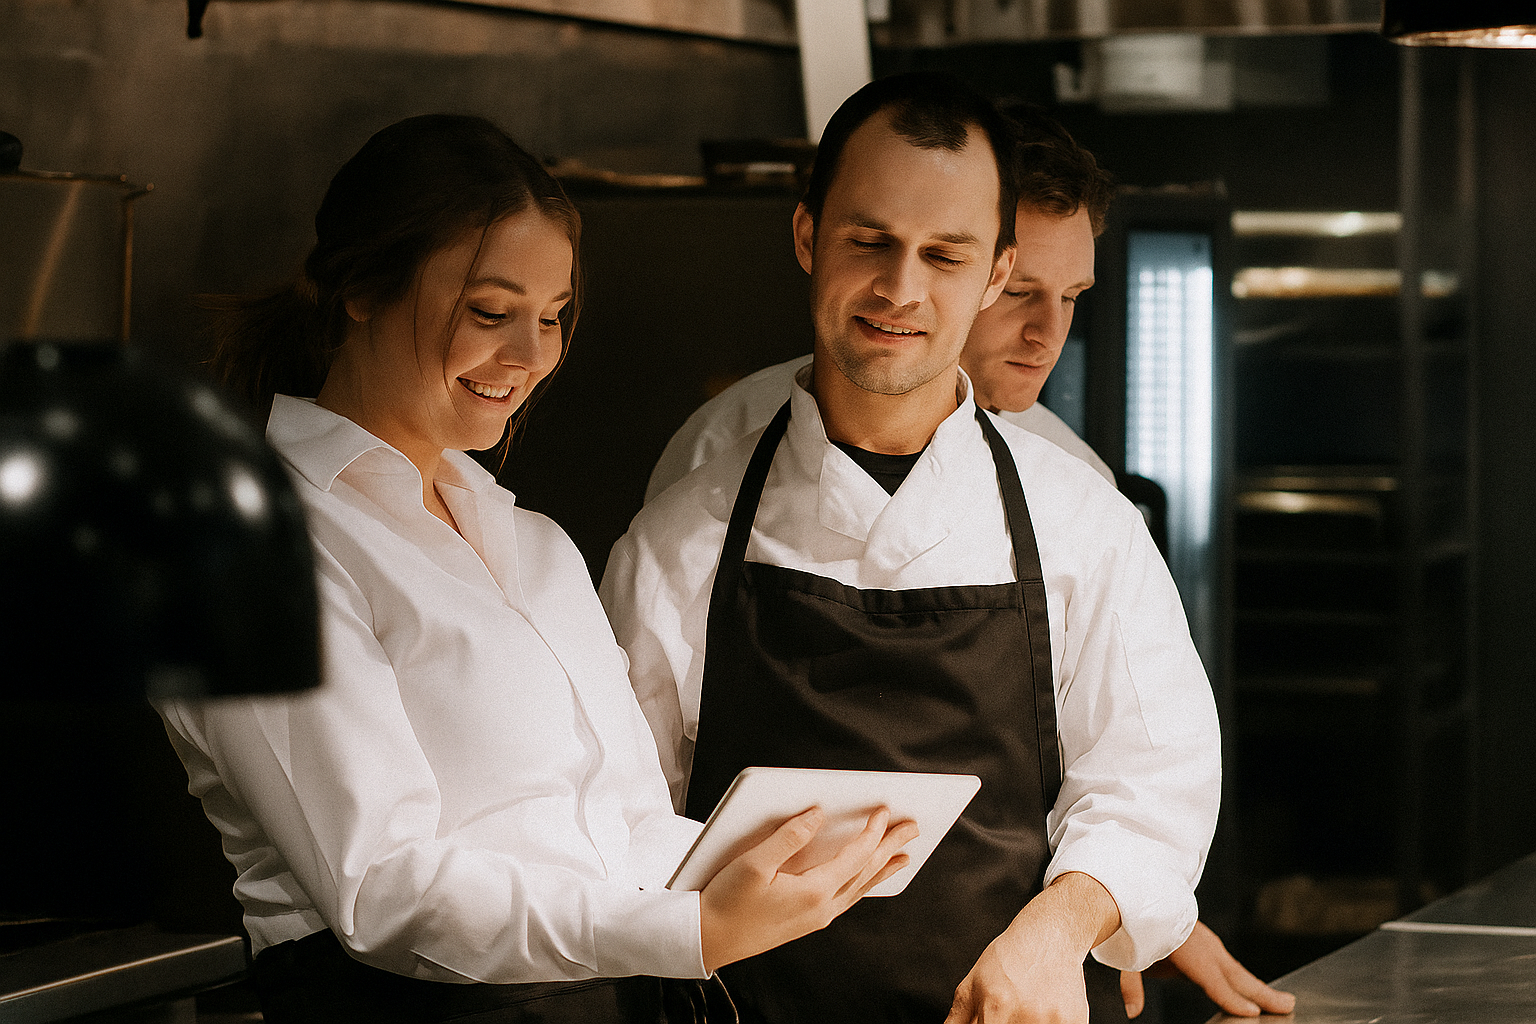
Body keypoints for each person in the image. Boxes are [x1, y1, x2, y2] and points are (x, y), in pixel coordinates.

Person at [154, 113, 916, 1024]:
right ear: (361, 286)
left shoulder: (536, 546)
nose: (527, 358)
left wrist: (786, 859)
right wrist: (690, 933)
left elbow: (619, 832)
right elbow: (383, 892)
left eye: (552, 318)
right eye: (489, 312)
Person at [637, 103, 1295, 1022]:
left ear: (990, 271)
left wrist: (1078, 921)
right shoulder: (685, 528)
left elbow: (1152, 783)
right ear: (809, 237)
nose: (901, 290)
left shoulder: (1082, 518)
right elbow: (619, 812)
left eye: (946, 256)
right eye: (870, 240)